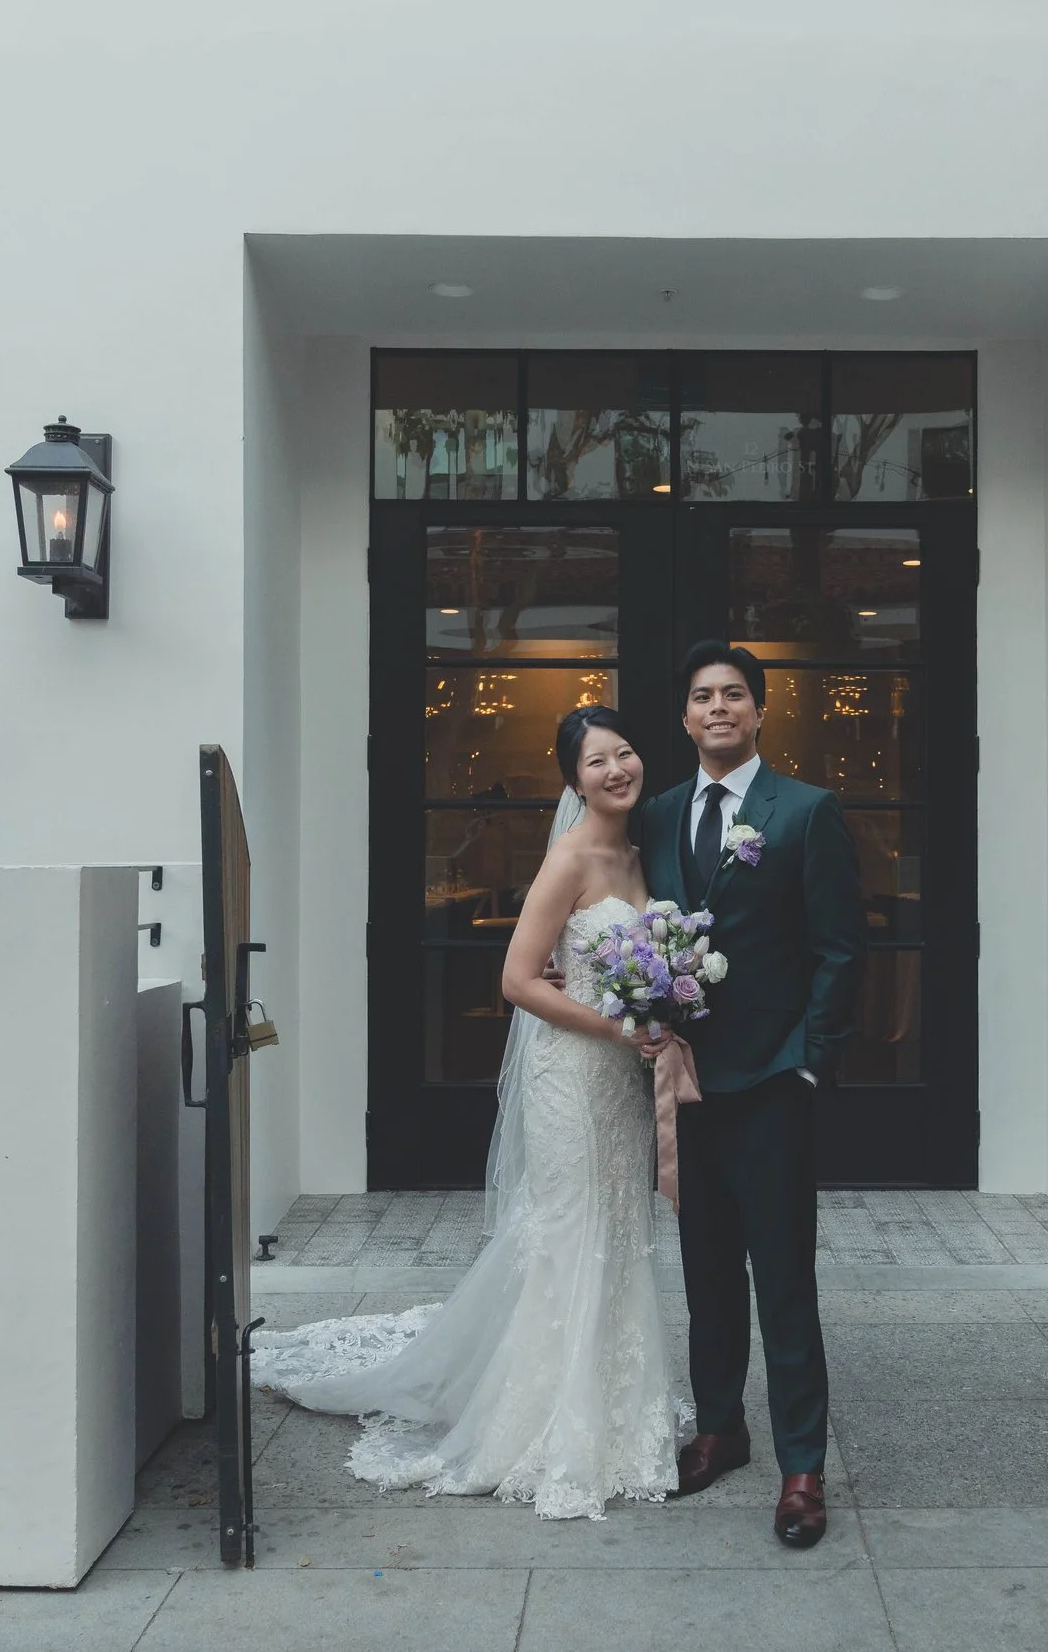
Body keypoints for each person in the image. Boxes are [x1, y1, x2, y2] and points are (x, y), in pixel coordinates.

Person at [251, 706, 688, 1520]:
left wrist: (653, 1018)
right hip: (573, 1070)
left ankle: (618, 1403)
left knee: (617, 1229)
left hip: (623, 1078)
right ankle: (546, 1418)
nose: (617, 769)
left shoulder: (641, 851)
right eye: (597, 761)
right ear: (572, 779)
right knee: (569, 1232)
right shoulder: (569, 860)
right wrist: (622, 1028)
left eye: (625, 752)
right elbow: (519, 981)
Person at [635, 640, 866, 1549]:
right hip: (685, 1084)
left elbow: (841, 947)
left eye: (735, 693)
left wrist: (808, 1058)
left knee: (784, 1278)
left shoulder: (805, 811)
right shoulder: (656, 815)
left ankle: (802, 1463)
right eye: (702, 696)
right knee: (705, 1269)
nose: (719, 707)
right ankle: (721, 1426)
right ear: (685, 717)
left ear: (760, 711)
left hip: (772, 1079)